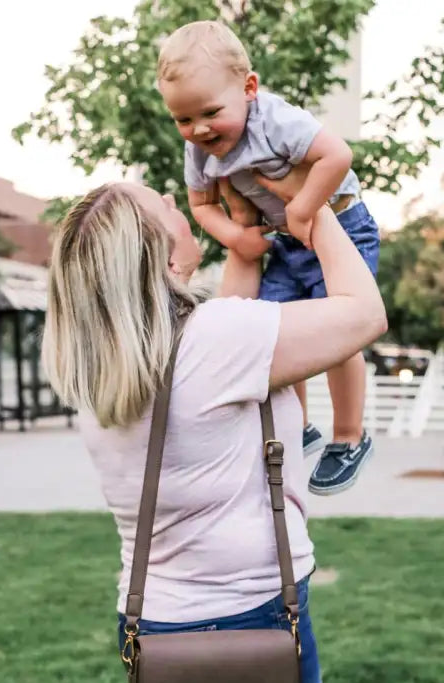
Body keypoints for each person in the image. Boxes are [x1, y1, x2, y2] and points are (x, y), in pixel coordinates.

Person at [40, 165, 386, 683]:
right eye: (164, 205)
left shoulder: (104, 363)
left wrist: (244, 242)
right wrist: (316, 203)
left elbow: (227, 323)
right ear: (158, 250)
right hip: (245, 626)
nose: (178, 202)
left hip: (157, 622)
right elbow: (363, 315)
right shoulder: (215, 341)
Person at [156, 19, 382, 496]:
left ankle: (349, 436)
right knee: (272, 329)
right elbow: (202, 204)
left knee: (342, 335)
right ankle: (299, 425)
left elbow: (337, 156)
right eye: (182, 119)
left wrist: (302, 207)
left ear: (249, 88)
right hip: (285, 242)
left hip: (341, 225)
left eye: (210, 112)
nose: (198, 129)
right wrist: (236, 237)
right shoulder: (198, 150)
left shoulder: (274, 120)